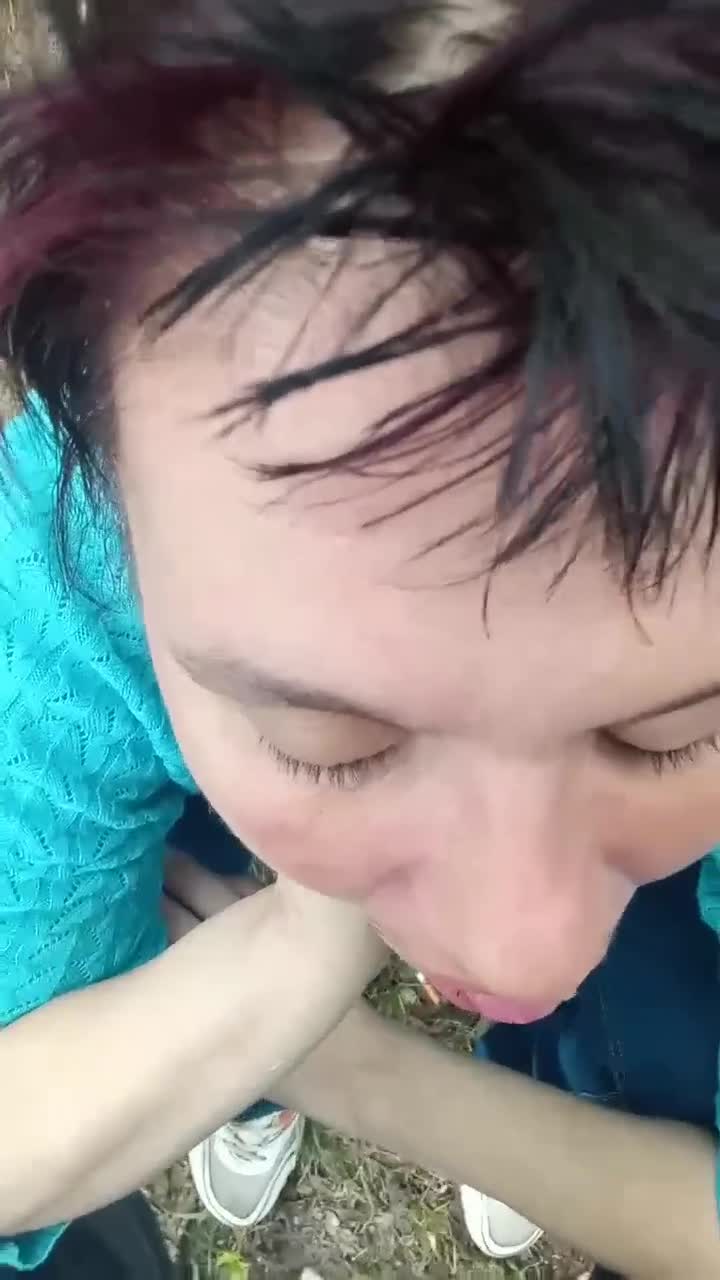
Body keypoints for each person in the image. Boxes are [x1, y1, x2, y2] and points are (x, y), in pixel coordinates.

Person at [1, 1, 720, 1276]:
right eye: (329, 740)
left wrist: (339, 1052)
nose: (518, 945)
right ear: (104, 471)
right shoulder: (66, 554)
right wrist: (288, 956)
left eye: (677, 728)